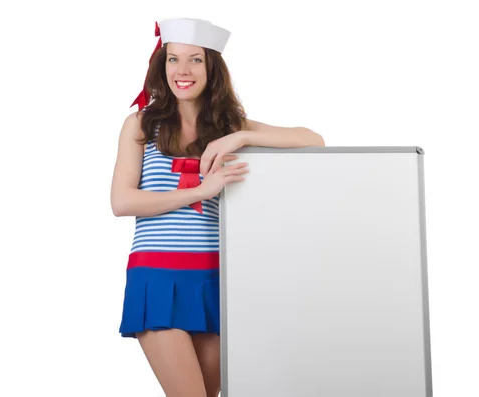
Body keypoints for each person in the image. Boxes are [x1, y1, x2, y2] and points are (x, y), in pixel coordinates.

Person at [110, 18, 324, 397]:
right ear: (162, 66)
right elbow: (122, 201)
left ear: (212, 69)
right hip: (158, 276)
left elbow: (314, 141)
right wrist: (200, 191)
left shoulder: (229, 126)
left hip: (216, 278)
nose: (183, 71)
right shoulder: (141, 125)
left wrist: (240, 136)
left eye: (195, 61)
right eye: (173, 60)